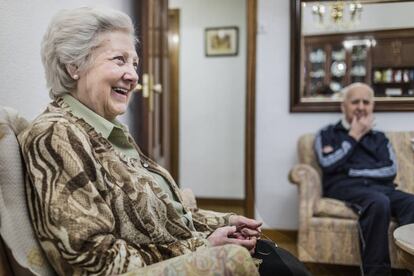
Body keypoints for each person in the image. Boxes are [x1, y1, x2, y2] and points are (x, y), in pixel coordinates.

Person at [18, 7, 309, 276]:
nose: (133, 75)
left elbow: (165, 215)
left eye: (134, 62)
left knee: (288, 265)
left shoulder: (109, 131)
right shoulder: (56, 135)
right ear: (73, 66)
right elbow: (90, 257)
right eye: (119, 60)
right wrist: (203, 249)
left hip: (188, 254)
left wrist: (226, 223)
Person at [314, 82, 414, 276]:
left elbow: (390, 170)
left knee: (411, 203)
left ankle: (408, 267)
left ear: (372, 107)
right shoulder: (327, 134)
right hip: (345, 187)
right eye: (355, 102)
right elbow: (328, 164)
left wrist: (348, 169)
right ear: (343, 106)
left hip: (381, 187)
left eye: (366, 102)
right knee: (378, 203)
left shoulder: (379, 137)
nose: (361, 106)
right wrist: (354, 136)